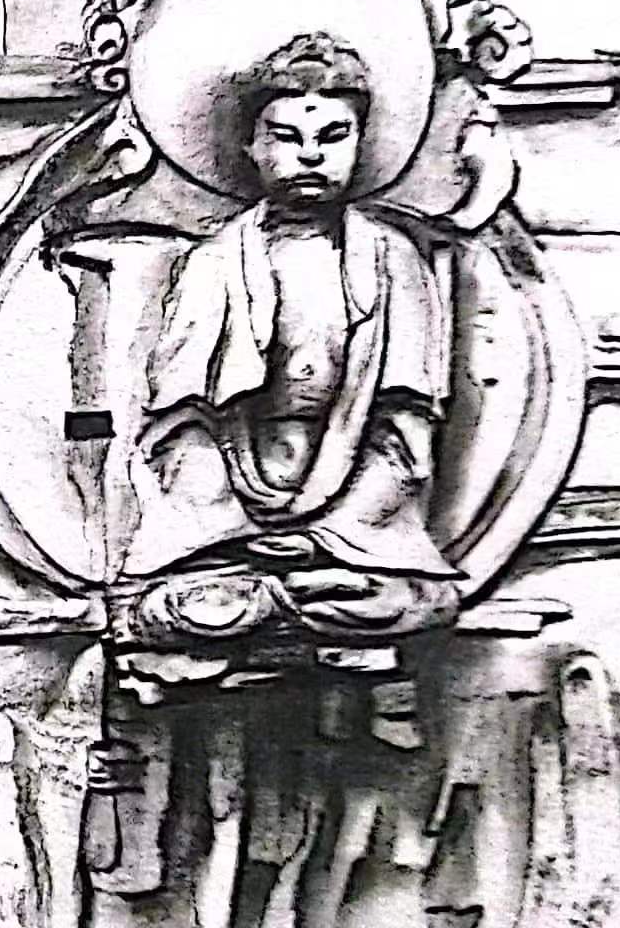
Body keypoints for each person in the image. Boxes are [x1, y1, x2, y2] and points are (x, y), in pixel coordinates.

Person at [122, 31, 460, 639]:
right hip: (229, 514)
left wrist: (334, 531)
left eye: (332, 137)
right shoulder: (213, 264)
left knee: (414, 603)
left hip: (353, 523)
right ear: (250, 146)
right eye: (285, 136)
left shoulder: (393, 260)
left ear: (361, 141)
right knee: (177, 606)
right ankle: (254, 597)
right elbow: (179, 422)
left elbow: (404, 428)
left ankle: (285, 596)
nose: (310, 156)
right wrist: (222, 513)